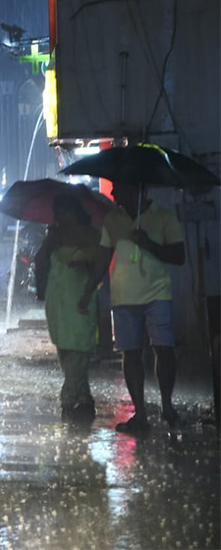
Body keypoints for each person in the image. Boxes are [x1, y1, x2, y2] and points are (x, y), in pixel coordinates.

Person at [88, 181, 186, 432]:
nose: (113, 192)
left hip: (157, 293)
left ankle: (167, 406)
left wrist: (148, 243)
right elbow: (102, 258)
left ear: (140, 190)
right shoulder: (113, 220)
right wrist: (88, 291)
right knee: (130, 353)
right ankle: (140, 414)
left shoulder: (164, 217)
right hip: (123, 296)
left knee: (164, 350)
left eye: (119, 188)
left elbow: (178, 256)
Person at [33, 193, 102, 420]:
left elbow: (99, 263)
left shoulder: (94, 235)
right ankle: (83, 396)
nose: (60, 216)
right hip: (58, 300)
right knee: (65, 349)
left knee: (80, 349)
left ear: (75, 211)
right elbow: (39, 260)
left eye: (63, 211)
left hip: (83, 298)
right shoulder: (54, 236)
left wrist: (85, 263)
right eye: (57, 212)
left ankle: (69, 397)